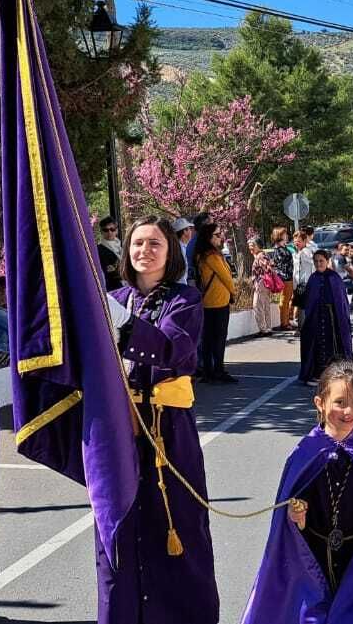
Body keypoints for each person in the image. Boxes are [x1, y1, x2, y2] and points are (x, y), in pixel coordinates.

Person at [107, 216, 219, 622]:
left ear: (171, 251)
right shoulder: (114, 297)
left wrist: (121, 323)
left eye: (155, 243)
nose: (145, 251)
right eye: (137, 243)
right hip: (120, 430)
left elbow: (173, 348)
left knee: (178, 520)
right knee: (120, 529)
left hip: (167, 429)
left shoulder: (185, 300)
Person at [241, 361, 353, 624]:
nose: (349, 411)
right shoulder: (306, 452)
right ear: (320, 403)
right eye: (340, 402)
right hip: (311, 557)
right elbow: (290, 512)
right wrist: (297, 516)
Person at [297, 249, 353, 386]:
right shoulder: (313, 279)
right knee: (315, 346)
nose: (318, 264)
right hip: (315, 318)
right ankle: (316, 374)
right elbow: (308, 302)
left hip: (332, 319)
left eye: (321, 261)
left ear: (327, 261)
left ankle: (335, 375)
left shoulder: (335, 278)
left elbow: (341, 302)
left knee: (333, 346)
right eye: (316, 261)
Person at [190, 223, 237, 384]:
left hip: (209, 301)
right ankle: (218, 370)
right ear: (208, 238)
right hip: (218, 301)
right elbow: (226, 277)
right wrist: (233, 292)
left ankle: (209, 371)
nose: (220, 237)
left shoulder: (202, 255)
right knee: (219, 338)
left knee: (208, 338)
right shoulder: (212, 256)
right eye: (217, 235)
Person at [249, 238, 281, 336]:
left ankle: (263, 329)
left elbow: (268, 267)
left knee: (257, 306)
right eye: (250, 245)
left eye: (253, 245)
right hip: (265, 284)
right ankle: (268, 328)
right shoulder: (263, 254)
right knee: (266, 305)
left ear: (258, 246)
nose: (250, 247)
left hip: (261, 284)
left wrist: (261, 277)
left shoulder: (260, 256)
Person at [270, 226, 297, 332]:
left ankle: (286, 322)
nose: (286, 236)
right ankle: (284, 323)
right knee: (285, 300)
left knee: (287, 300)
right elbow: (281, 265)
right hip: (285, 278)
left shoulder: (283, 248)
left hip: (287, 277)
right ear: (279, 236)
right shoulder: (279, 250)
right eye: (284, 234)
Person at [292, 228, 318, 328]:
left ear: (304, 241)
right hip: (299, 284)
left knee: (304, 307)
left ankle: (303, 328)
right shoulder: (297, 253)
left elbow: (314, 264)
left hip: (306, 283)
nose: (296, 243)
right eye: (295, 241)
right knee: (301, 306)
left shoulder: (306, 252)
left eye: (299, 241)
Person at [97, 217, 124, 292]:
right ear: (101, 232)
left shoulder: (121, 247)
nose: (109, 232)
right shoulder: (98, 250)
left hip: (125, 286)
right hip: (111, 290)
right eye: (105, 230)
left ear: (116, 230)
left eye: (112, 229)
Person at [172, 217, 196, 285]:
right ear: (185, 231)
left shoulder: (182, 247)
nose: (191, 231)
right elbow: (181, 272)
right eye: (189, 229)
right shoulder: (180, 249)